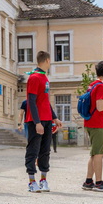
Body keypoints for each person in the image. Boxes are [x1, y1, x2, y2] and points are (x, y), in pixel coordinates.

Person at [24, 51, 63, 193]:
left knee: (45, 151)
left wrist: (54, 117)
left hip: (47, 119)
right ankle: (31, 181)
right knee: (33, 150)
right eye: (50, 60)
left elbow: (45, 101)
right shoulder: (34, 77)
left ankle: (43, 180)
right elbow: (31, 101)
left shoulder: (44, 77)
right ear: (47, 60)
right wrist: (37, 122)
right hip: (36, 121)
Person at [82, 61, 103, 192]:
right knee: (99, 154)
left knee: (94, 153)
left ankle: (88, 181)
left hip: (90, 122)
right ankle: (99, 182)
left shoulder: (92, 85)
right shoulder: (101, 86)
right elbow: (100, 106)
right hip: (97, 123)